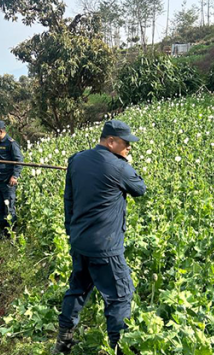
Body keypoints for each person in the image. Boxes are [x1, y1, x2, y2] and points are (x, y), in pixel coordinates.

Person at [54, 120, 147, 354]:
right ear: (111, 141)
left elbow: (69, 201)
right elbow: (140, 189)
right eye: (126, 144)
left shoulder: (77, 160)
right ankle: (119, 348)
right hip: (106, 247)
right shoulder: (119, 166)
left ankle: (62, 343)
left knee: (78, 289)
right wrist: (126, 163)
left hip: (80, 241)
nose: (129, 149)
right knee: (120, 297)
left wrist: (71, 232)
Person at [0, 120, 23, 237]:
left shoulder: (11, 143)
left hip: (7, 182)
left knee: (9, 208)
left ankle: (11, 233)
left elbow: (19, 161)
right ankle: (3, 231)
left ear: (1, 131)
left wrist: (15, 176)